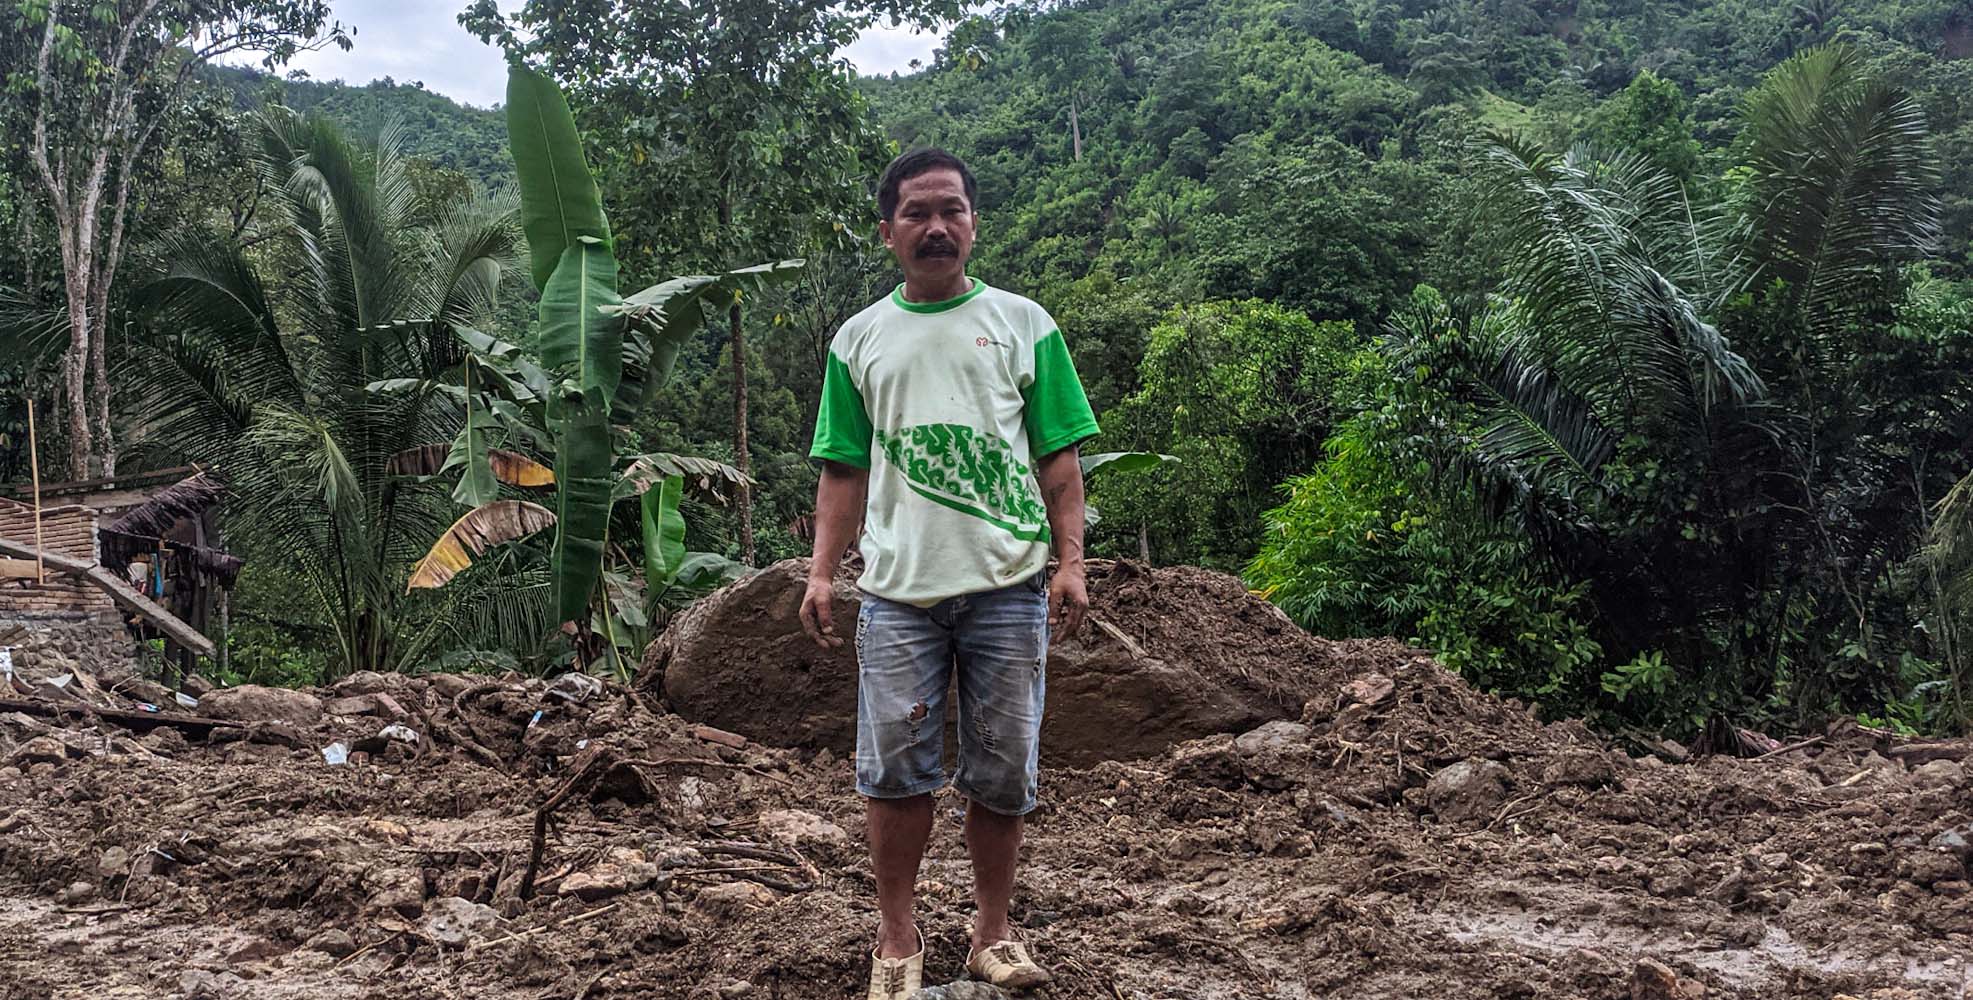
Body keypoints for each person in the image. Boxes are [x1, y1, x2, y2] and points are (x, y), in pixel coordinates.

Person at [799, 147, 1098, 999]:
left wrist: (1070, 564)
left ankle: (991, 934)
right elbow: (842, 471)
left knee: (1002, 774)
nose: (937, 228)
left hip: (1008, 588)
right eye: (918, 214)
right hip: (897, 596)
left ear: (972, 221)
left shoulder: (1023, 323)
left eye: (952, 211)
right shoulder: (858, 339)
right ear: (887, 229)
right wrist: (823, 574)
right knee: (893, 774)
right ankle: (897, 938)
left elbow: (1059, 461)